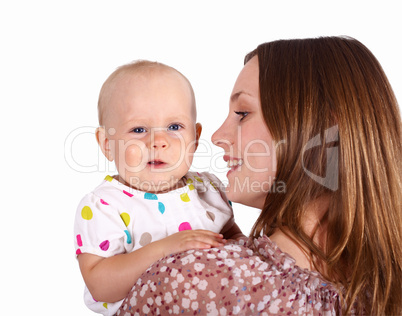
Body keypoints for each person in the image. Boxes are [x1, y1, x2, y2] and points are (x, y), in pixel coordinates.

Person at [116, 37, 402, 315]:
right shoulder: (191, 281)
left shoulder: (192, 280)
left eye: (242, 113)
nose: (217, 137)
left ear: (325, 128)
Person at [74, 60, 243, 315]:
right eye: (139, 129)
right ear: (107, 143)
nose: (159, 141)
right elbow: (99, 286)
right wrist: (166, 247)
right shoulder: (105, 206)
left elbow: (233, 238)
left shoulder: (208, 188)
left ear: (195, 139)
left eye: (174, 127)